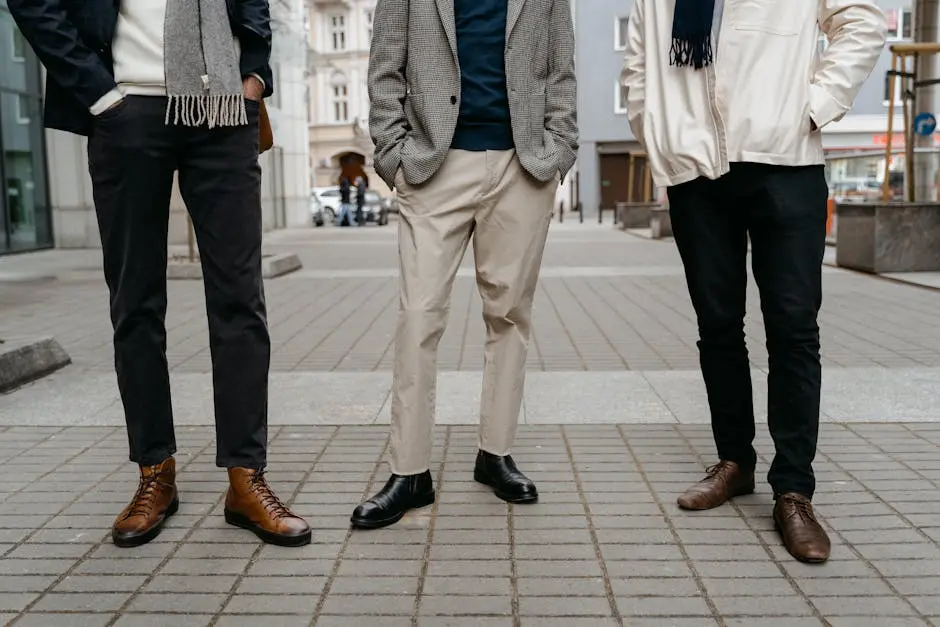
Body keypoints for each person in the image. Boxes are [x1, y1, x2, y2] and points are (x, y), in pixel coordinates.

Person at [9, 0, 311, 548]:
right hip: (126, 112)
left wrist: (255, 76)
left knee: (241, 300)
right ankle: (155, 472)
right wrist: (98, 94)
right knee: (136, 303)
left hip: (222, 108)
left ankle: (246, 478)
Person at [621, 0, 886, 563]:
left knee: (792, 328)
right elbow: (640, 61)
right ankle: (735, 462)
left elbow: (862, 21)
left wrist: (815, 106)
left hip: (785, 162)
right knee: (717, 326)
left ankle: (793, 489)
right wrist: (657, 135)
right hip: (696, 169)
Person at [350, 0, 577, 529]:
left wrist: (559, 148)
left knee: (509, 316)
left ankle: (494, 452)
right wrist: (393, 154)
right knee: (418, 317)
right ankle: (409, 472)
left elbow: (561, 70)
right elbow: (385, 67)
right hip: (433, 166)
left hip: (522, 166)